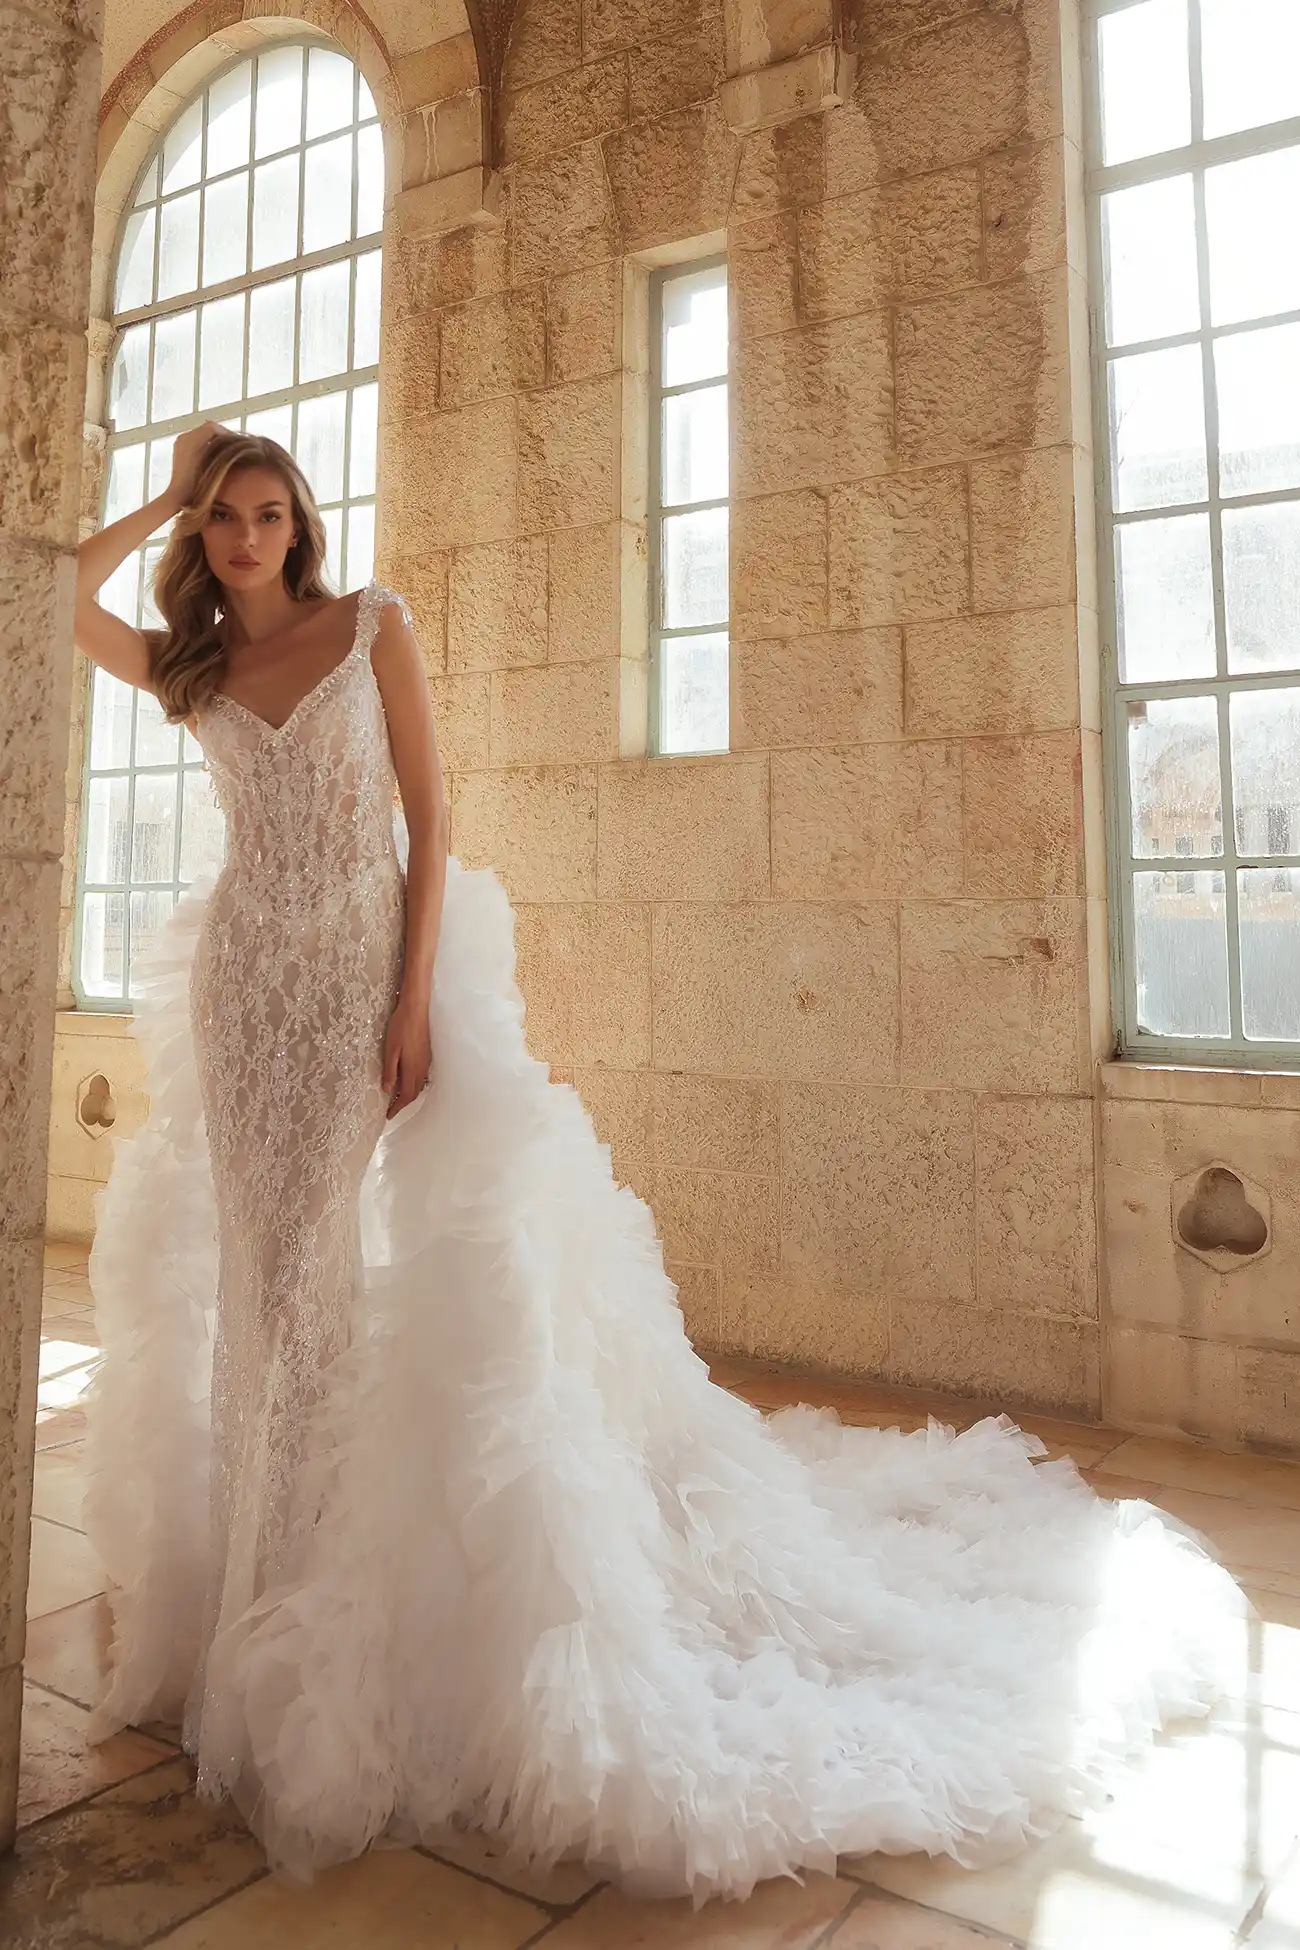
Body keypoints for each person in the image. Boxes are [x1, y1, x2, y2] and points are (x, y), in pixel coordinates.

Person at [76, 422, 1245, 1909]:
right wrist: (154, 499)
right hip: (246, 999)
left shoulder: (372, 626)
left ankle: (326, 1580)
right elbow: (57, 607)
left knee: (348, 1281)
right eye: (225, 516)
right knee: (273, 1285)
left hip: (362, 985)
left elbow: (431, 824)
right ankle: (263, 1581)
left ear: (303, 525)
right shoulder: (197, 671)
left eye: (267, 509)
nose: (248, 534)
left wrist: (413, 996)